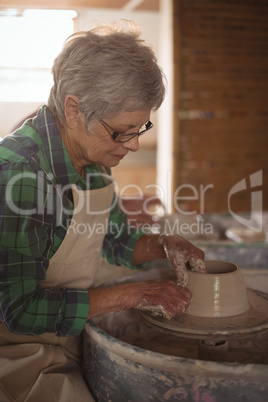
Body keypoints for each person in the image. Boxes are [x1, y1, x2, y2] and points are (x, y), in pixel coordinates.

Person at [0, 21, 206, 401]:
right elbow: (20, 311)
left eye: (140, 127)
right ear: (74, 109)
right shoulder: (20, 176)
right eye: (122, 131)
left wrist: (165, 244)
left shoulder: (93, 159)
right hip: (15, 352)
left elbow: (116, 241)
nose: (134, 145)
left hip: (66, 334)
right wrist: (132, 295)